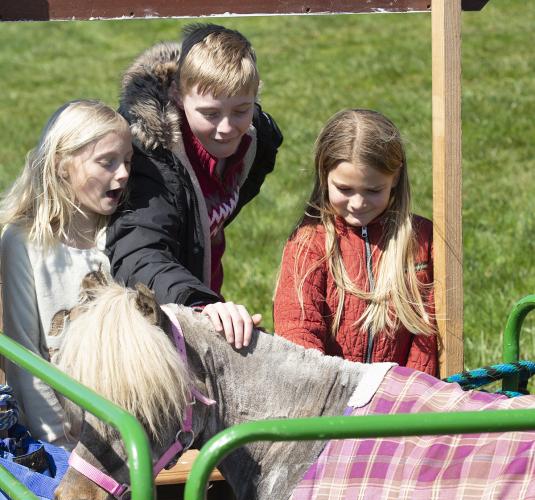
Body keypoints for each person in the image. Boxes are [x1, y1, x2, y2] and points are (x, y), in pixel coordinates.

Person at [106, 23, 283, 350]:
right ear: (177, 95)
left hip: (194, 294)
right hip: (149, 318)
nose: (227, 128)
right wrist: (200, 302)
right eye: (210, 113)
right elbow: (138, 251)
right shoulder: (152, 161)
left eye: (241, 110)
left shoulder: (255, 141)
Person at [0, 100, 133, 446]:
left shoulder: (119, 236)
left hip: (123, 428)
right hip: (60, 439)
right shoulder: (24, 243)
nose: (123, 174)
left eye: (128, 161)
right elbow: (25, 357)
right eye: (108, 162)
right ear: (62, 166)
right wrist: (59, 441)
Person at [273, 109, 438, 376]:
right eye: (345, 189)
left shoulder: (420, 239)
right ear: (324, 175)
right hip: (331, 402)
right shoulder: (309, 243)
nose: (358, 203)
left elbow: (427, 337)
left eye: (374, 190)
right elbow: (298, 329)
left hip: (401, 402)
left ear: (394, 178)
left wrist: (411, 392)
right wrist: (327, 393)